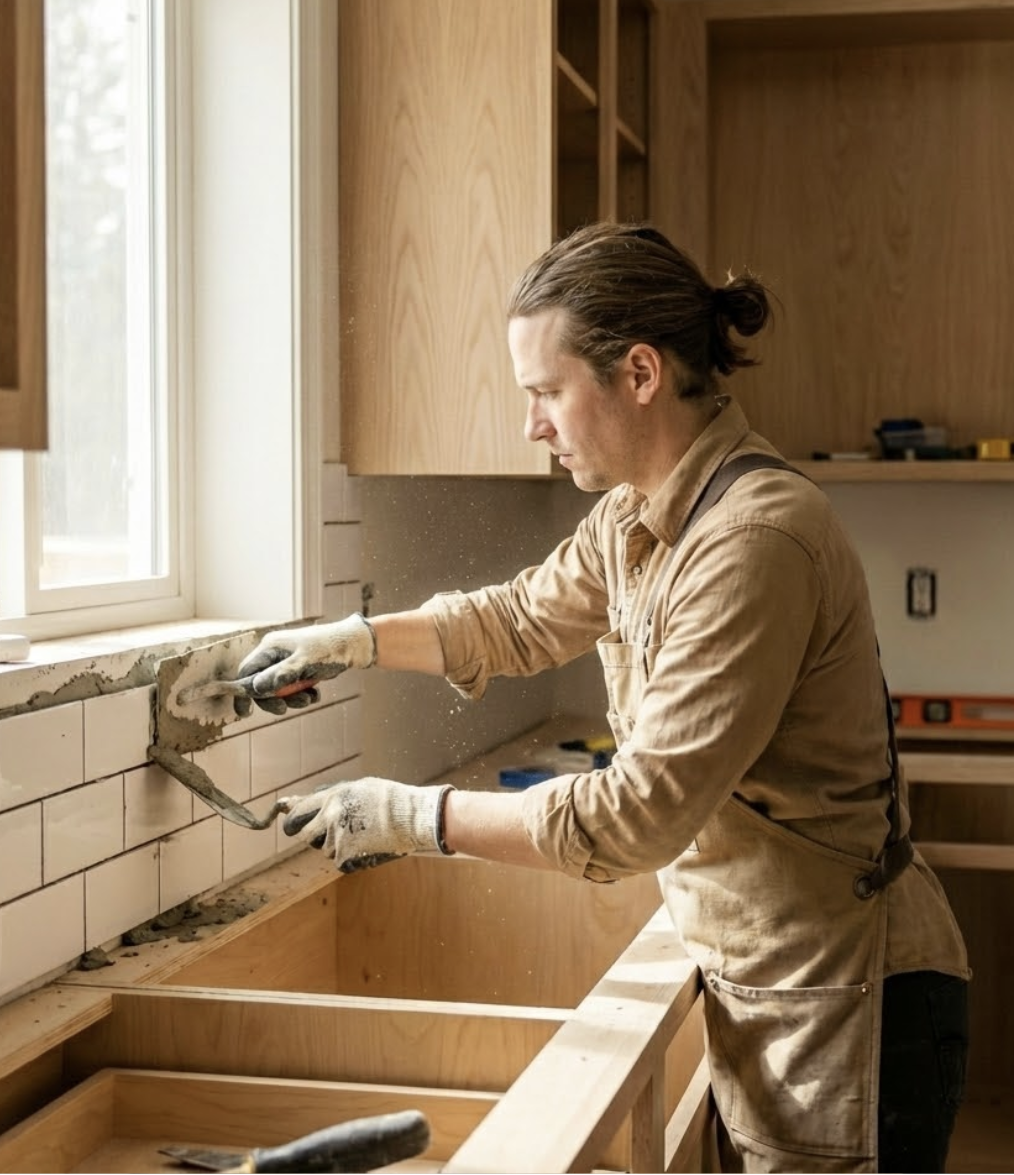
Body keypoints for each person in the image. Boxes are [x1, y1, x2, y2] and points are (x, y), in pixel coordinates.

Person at [236, 222, 970, 1173]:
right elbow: (516, 620)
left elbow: (637, 816)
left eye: (546, 392)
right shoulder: (635, 516)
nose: (531, 424)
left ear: (637, 374)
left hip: (854, 999)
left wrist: (411, 818)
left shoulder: (752, 542)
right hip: (777, 982)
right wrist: (352, 640)